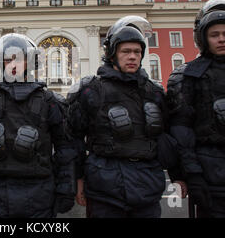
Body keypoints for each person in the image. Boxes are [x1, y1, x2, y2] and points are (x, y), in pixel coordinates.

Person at [67, 16, 169, 218]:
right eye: (126, 51)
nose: (132, 57)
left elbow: (167, 137)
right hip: (104, 190)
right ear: (112, 54)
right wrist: (78, 179)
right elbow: (74, 139)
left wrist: (179, 175)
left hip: (146, 189)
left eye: (137, 52)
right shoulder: (91, 90)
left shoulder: (154, 92)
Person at [0, 33, 77, 218]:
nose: (13, 64)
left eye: (18, 58)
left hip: (39, 196)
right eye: (7, 59)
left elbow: (65, 150)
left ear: (30, 62)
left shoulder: (51, 102)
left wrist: (66, 189)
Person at [167, 0, 225, 218]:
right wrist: (191, 174)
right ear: (204, 38)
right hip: (212, 175)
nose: (221, 40)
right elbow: (180, 130)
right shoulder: (188, 75)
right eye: (215, 35)